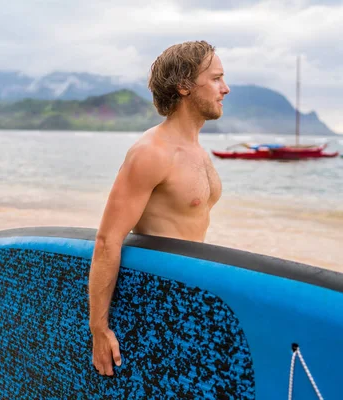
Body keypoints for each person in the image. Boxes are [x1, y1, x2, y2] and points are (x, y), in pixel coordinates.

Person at [88, 40, 230, 376]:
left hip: (191, 297)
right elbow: (107, 241)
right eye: (215, 79)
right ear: (183, 86)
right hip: (157, 302)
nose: (225, 88)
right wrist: (99, 329)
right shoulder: (152, 153)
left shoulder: (198, 151)